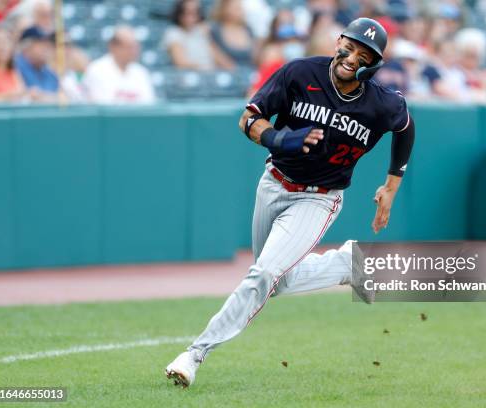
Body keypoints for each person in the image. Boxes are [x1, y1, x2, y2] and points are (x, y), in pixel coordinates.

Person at [165, 17, 415, 388]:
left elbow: (405, 128)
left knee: (264, 274)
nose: (353, 58)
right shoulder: (300, 74)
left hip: (319, 199)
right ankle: (349, 264)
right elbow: (248, 119)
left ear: (374, 64)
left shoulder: (381, 104)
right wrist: (279, 139)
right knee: (274, 281)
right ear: (338, 42)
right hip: (273, 183)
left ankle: (195, 354)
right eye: (351, 46)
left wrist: (392, 185)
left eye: (365, 55)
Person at [83, 26, 155, 105]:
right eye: (129, 47)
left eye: (135, 47)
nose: (133, 51)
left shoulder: (141, 72)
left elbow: (148, 105)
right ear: (113, 47)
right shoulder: (97, 70)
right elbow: (101, 106)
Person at [162, 0, 217, 71]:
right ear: (179, 14)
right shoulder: (173, 33)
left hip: (208, 74)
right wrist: (206, 68)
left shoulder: (202, 31)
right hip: (187, 76)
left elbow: (217, 57)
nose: (190, 17)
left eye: (195, 13)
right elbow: (181, 63)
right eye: (186, 12)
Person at [14, 25, 58, 102]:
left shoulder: (49, 71)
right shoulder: (14, 66)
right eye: (42, 44)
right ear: (27, 47)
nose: (47, 48)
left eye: (48, 44)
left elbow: (62, 96)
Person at [208, 0, 254, 69]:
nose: (239, 10)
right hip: (225, 73)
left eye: (239, 7)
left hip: (250, 72)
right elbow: (212, 51)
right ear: (224, 8)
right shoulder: (215, 29)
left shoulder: (248, 29)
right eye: (235, 7)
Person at [0, 26, 25, 102]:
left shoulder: (14, 71)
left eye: (6, 42)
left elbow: (21, 96)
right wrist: (7, 96)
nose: (3, 47)